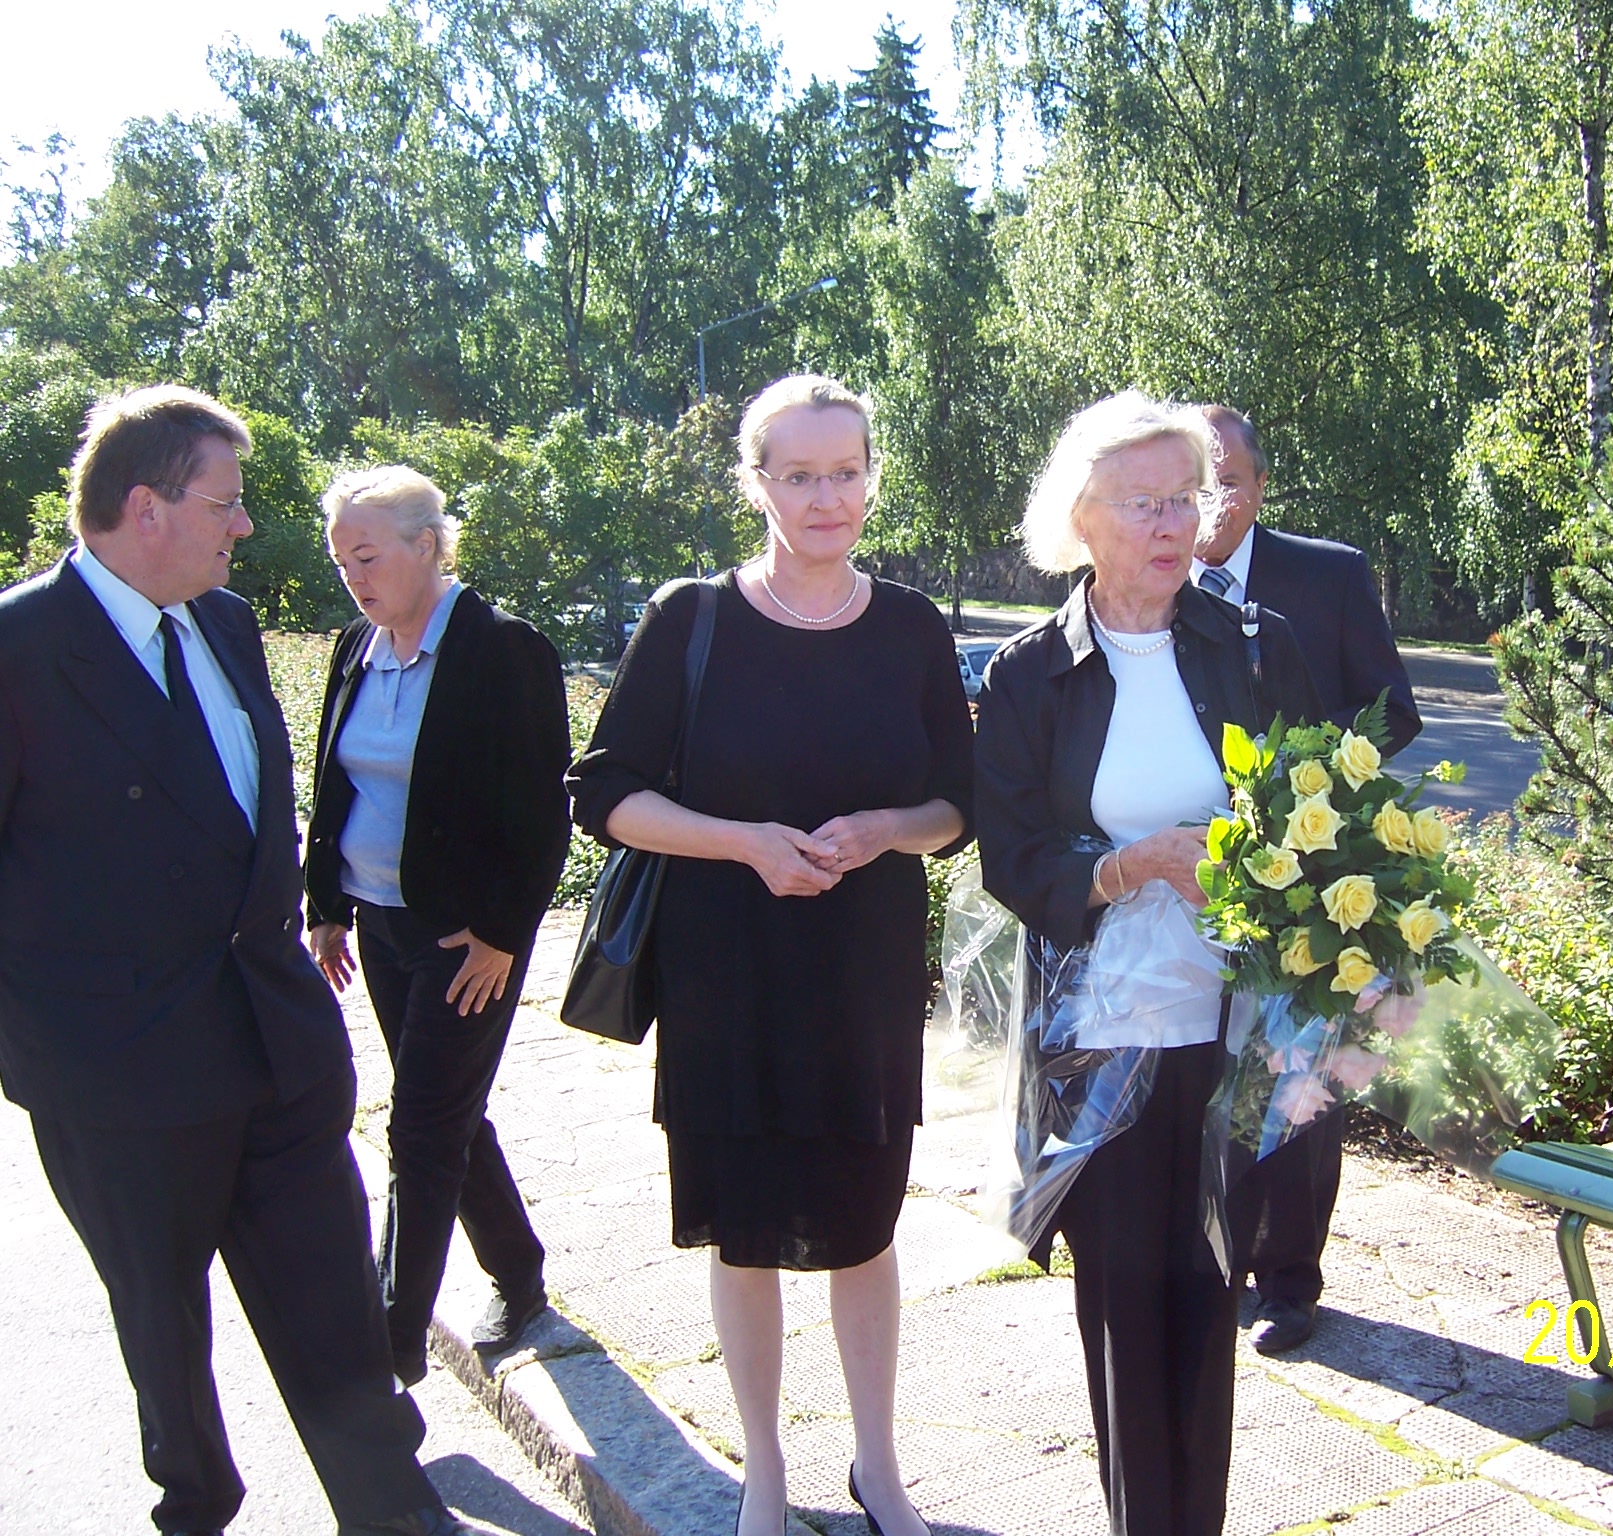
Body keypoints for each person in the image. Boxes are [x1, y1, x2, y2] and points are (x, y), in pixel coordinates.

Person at [0, 386, 476, 1536]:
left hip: (275, 1041)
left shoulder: (223, 623)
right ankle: (197, 1504)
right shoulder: (17, 649)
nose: (245, 525)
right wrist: (40, 1049)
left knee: (334, 1309)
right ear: (147, 508)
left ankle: (394, 1513)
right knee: (163, 1328)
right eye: (226, 502)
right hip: (118, 1076)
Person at [566, 374, 973, 1536]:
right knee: (741, 1234)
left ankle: (878, 1468)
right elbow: (604, 794)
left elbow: (958, 803)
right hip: (725, 979)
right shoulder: (690, 618)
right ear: (754, 484)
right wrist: (742, 843)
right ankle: (762, 1472)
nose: (825, 496)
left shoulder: (909, 626)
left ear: (870, 478)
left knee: (865, 1230)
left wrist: (887, 829)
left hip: (861, 979)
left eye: (845, 471)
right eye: (798, 475)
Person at [976, 390, 1320, 1536]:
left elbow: (1319, 807)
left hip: (1228, 1032)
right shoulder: (1028, 674)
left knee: (1207, 1297)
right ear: (1079, 516)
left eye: (1186, 497)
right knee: (1123, 1308)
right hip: (1100, 1046)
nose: (1174, 523)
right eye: (1143, 503)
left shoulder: (1249, 645)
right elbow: (1012, 858)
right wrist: (1130, 867)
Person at [304, 466, 571, 1386]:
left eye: (367, 557)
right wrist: (326, 905)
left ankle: (391, 1351)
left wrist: (502, 934)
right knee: (447, 1110)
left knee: (419, 1127)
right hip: (379, 925)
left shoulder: (502, 649)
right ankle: (520, 1272)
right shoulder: (357, 648)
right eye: (342, 562)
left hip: (466, 940)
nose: (354, 578)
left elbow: (542, 812)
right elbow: (332, 781)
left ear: (426, 545)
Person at [1191, 404, 1420, 1355]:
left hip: (1310, 874)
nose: (1209, 503)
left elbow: (1394, 709)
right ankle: (1211, 1262)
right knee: (1204, 1076)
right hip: (1187, 878)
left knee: (1298, 1081)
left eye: (1227, 481)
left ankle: (1289, 1284)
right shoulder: (1148, 577)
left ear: (1259, 486)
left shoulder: (1328, 576)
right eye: (1193, 482)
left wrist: (1315, 781)